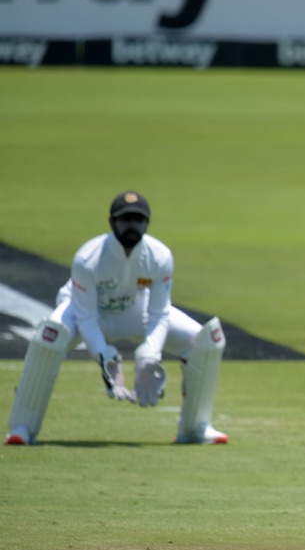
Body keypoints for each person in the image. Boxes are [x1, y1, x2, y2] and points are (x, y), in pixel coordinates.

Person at [5, 191, 228, 446]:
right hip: (82, 312)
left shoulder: (160, 256)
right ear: (111, 222)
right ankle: (22, 427)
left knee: (203, 339)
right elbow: (86, 317)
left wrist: (149, 354)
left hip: (133, 310)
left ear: (147, 223)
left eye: (138, 219)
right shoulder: (88, 259)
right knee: (49, 337)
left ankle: (195, 428)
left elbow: (159, 313)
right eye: (125, 219)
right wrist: (105, 356)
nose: (132, 225)